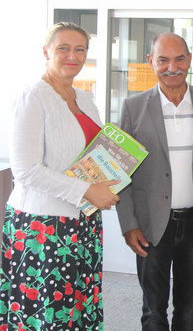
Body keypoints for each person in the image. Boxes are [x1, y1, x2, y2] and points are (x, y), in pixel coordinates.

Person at [1, 22, 119, 329]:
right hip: (44, 227)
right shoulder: (32, 98)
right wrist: (86, 190)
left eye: (80, 49)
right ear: (46, 52)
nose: (73, 56)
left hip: (84, 221)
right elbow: (25, 171)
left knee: (80, 306)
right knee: (50, 311)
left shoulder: (86, 99)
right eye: (63, 48)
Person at [116, 32, 193, 330]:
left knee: (189, 308)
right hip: (151, 225)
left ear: (189, 60)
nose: (172, 67)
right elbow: (121, 171)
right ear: (150, 62)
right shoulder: (133, 107)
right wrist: (129, 224)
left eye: (179, 59)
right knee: (153, 311)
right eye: (163, 60)